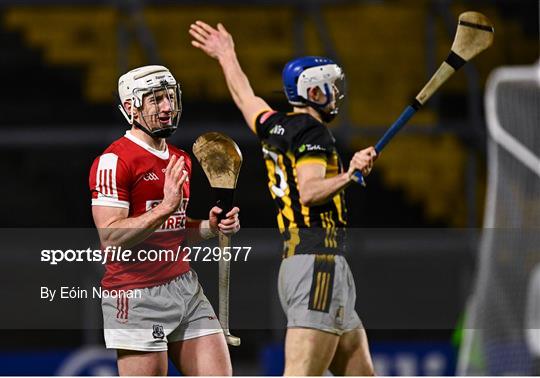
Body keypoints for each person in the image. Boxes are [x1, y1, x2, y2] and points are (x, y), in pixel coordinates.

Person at [190, 21, 376, 376]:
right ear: (313, 91)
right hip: (318, 260)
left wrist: (226, 54)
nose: (335, 94)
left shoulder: (275, 126)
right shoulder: (314, 133)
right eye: (329, 88)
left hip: (303, 263)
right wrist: (350, 173)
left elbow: (245, 97)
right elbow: (309, 191)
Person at [89, 65, 240, 376]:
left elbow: (173, 231)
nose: (168, 107)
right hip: (137, 294)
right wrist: (165, 207)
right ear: (131, 107)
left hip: (185, 288)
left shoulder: (180, 158)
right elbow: (110, 237)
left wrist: (210, 227)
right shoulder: (114, 161)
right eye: (156, 99)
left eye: (170, 97)